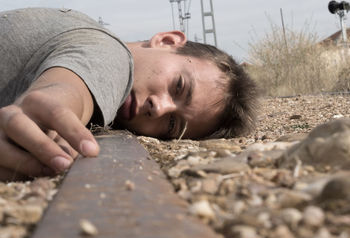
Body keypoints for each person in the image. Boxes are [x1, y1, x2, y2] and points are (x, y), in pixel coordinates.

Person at [0, 8, 259, 180]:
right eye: (178, 86)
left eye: (172, 125)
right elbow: (82, 78)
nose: (159, 109)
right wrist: (54, 106)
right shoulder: (109, 50)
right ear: (167, 41)